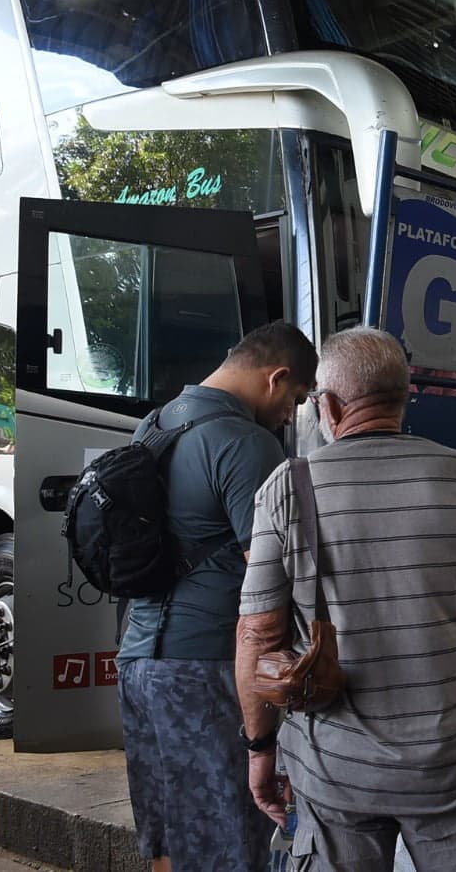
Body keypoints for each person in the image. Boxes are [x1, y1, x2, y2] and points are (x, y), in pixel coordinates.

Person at [236, 327, 456, 872]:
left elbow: (256, 633)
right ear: (403, 396)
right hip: (454, 759)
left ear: (332, 405)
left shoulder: (286, 486)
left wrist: (259, 750)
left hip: (336, 767)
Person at [117, 321, 318, 872]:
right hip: (205, 669)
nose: (289, 416)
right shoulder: (249, 444)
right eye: (295, 400)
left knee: (166, 839)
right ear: (276, 379)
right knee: (228, 843)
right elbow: (271, 584)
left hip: (139, 662)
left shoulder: (154, 426)